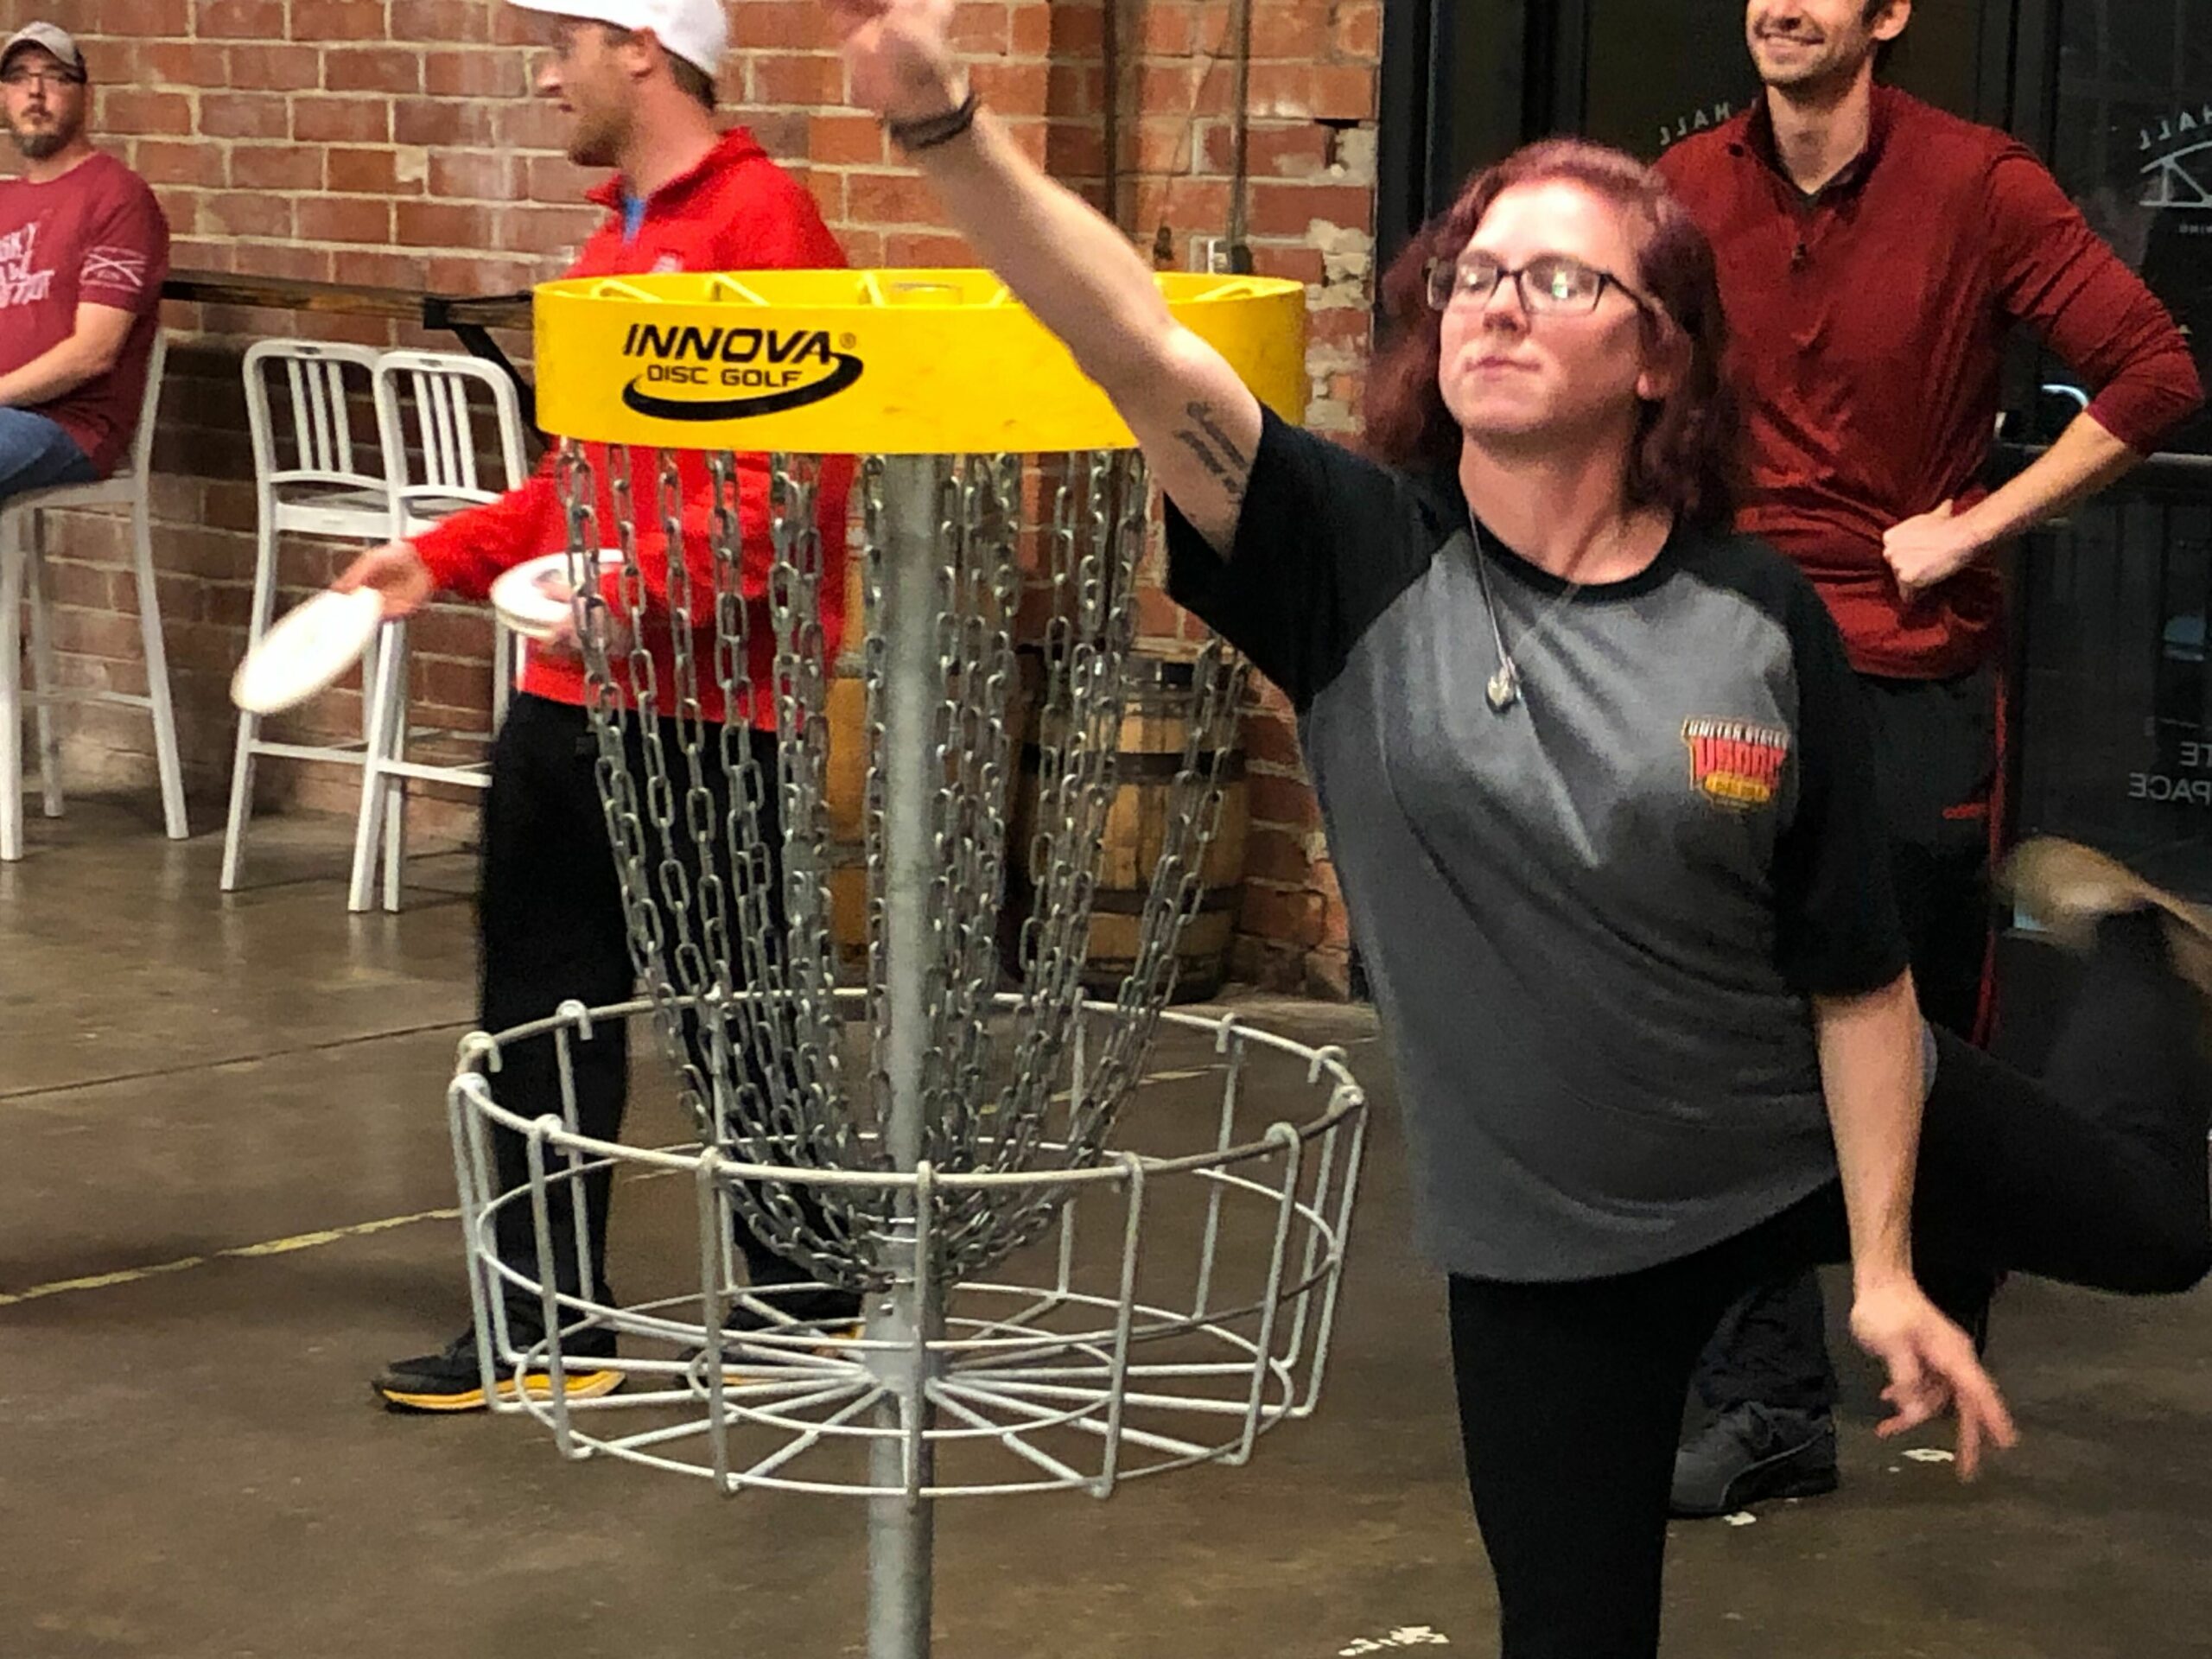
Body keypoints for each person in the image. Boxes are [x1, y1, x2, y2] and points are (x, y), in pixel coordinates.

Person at [813, 2, 2212, 1653]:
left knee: (2165, 1232)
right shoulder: (1353, 561)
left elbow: (1854, 980)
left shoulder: (1758, 620)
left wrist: (1890, 1268)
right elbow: (1133, 343)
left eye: (1561, 280)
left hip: (1785, 1137)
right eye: (1477, 273)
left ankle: (2130, 947)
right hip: (1553, 1257)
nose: (1496, 301)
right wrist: (944, 125)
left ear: (1659, 354)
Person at [1651, 0, 2205, 1516]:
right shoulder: (1686, 190)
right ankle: (1766, 1397)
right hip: (1728, 654)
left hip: (1908, 668)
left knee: (1910, 1008)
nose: (1783, 5)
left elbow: (2154, 373)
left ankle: (1960, 1269)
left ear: (1887, 14)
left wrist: (1973, 526)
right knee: (1740, 1009)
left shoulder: (1979, 184)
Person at [337, 0, 859, 1413]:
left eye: (561, 41)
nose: (541, 73)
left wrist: (640, 593)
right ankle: (543, 1326)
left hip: (714, 711)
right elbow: (580, 482)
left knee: (740, 1017)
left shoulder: (763, 227)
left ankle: (807, 1294)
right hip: (571, 693)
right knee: (533, 1016)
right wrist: (443, 558)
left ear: (641, 45)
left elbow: (787, 494)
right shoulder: (612, 240)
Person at [0, 22, 169, 505]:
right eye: (18, 77)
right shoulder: (5, 200)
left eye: (54, 76)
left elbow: (93, 352)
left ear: (86, 95)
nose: (35, 92)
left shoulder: (118, 197)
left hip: (68, 423)